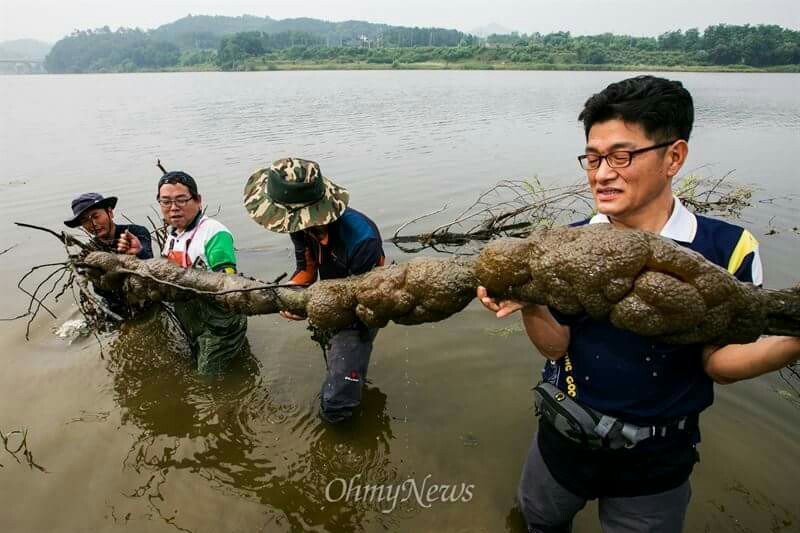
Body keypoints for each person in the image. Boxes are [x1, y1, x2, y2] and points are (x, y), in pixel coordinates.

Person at [477, 75, 800, 532]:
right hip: (562, 439)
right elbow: (555, 347)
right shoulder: (569, 243)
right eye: (592, 157)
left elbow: (719, 363)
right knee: (538, 521)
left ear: (673, 157)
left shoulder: (727, 248)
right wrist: (531, 303)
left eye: (620, 156)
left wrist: (793, 343)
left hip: (657, 461)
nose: (601, 173)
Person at [244, 157, 385, 423]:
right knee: (334, 360)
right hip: (326, 300)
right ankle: (350, 377)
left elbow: (364, 304)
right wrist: (292, 297)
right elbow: (306, 270)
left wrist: (313, 307)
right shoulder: (300, 226)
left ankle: (344, 443)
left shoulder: (362, 238)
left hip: (361, 310)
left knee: (335, 404)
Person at [125, 171, 247, 374]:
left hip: (219, 328)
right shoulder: (174, 234)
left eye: (181, 200)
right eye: (166, 202)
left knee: (208, 384)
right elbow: (163, 274)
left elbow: (227, 284)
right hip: (193, 322)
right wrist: (138, 255)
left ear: (198, 200)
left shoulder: (214, 234)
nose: (173, 208)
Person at [64, 192, 153, 316]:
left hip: (145, 298)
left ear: (110, 213)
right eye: (85, 220)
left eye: (95, 216)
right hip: (115, 308)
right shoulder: (89, 251)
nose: (93, 224)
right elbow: (101, 291)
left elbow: (150, 266)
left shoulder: (136, 232)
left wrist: (138, 252)